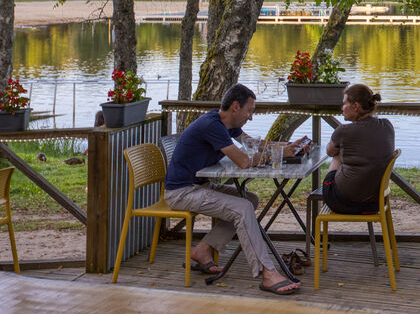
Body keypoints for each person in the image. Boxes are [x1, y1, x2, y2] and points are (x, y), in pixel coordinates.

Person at [164, 83, 304, 295]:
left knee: (250, 199)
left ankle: (203, 250)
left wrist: (287, 147)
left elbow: (253, 144)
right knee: (242, 208)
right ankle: (267, 273)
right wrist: (281, 155)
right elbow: (244, 162)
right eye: (250, 111)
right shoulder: (213, 125)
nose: (251, 117)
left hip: (199, 185)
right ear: (236, 107)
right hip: (182, 192)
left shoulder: (226, 124)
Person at [322, 83, 395, 213]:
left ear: (355, 106)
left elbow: (329, 151)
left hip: (345, 202)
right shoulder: (387, 125)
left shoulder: (344, 131)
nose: (341, 108)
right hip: (376, 202)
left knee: (337, 154)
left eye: (344, 104)